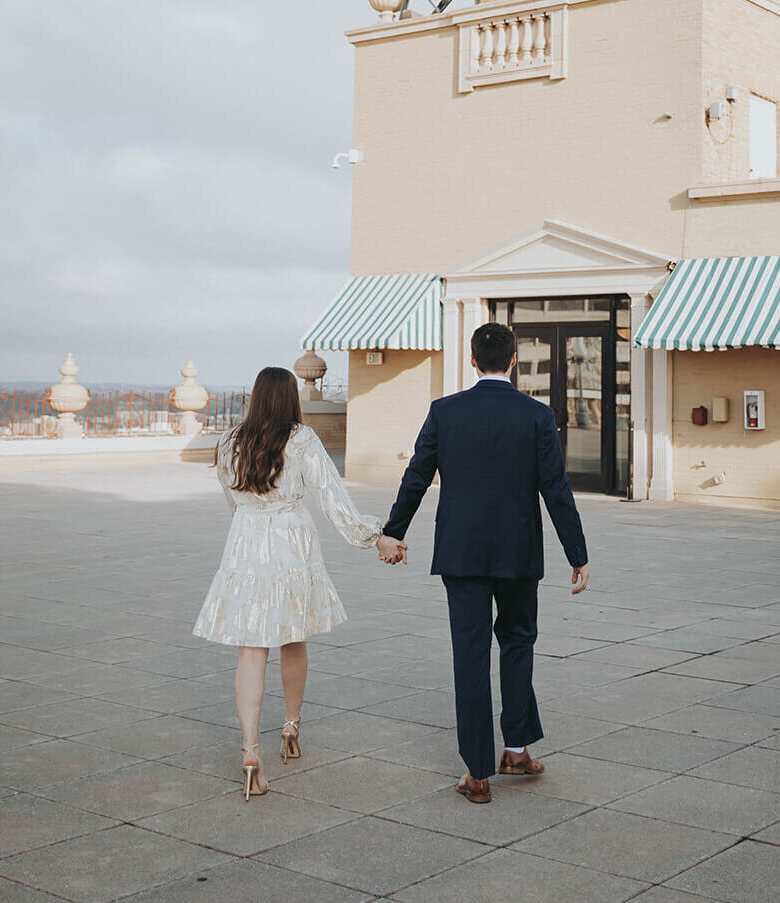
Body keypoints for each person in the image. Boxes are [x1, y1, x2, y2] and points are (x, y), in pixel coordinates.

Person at [382, 323, 589, 804]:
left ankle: (476, 772)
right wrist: (576, 553)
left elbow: (417, 475)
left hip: (461, 552)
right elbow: (555, 489)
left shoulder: (444, 411)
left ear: (472, 360)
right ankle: (515, 749)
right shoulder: (537, 416)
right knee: (518, 644)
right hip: (519, 553)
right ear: (514, 360)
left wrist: (394, 531)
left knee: (470, 655)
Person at [193, 366, 405, 798]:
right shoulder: (302, 440)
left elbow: (232, 502)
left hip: (246, 546)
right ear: (291, 398)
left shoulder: (230, 442)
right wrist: (375, 537)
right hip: (292, 547)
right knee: (293, 639)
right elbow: (333, 500)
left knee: (251, 652)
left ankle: (250, 750)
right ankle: (291, 727)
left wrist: (248, 534)